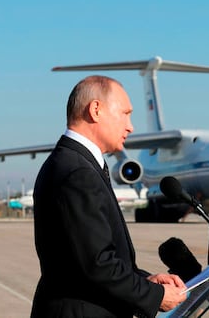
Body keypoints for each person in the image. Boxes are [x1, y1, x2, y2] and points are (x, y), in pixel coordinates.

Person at [31, 76, 186, 318]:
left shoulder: (75, 163)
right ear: (95, 110)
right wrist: (155, 296)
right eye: (125, 113)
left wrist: (147, 281)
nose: (130, 126)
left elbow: (89, 259)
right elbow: (97, 264)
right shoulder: (77, 172)